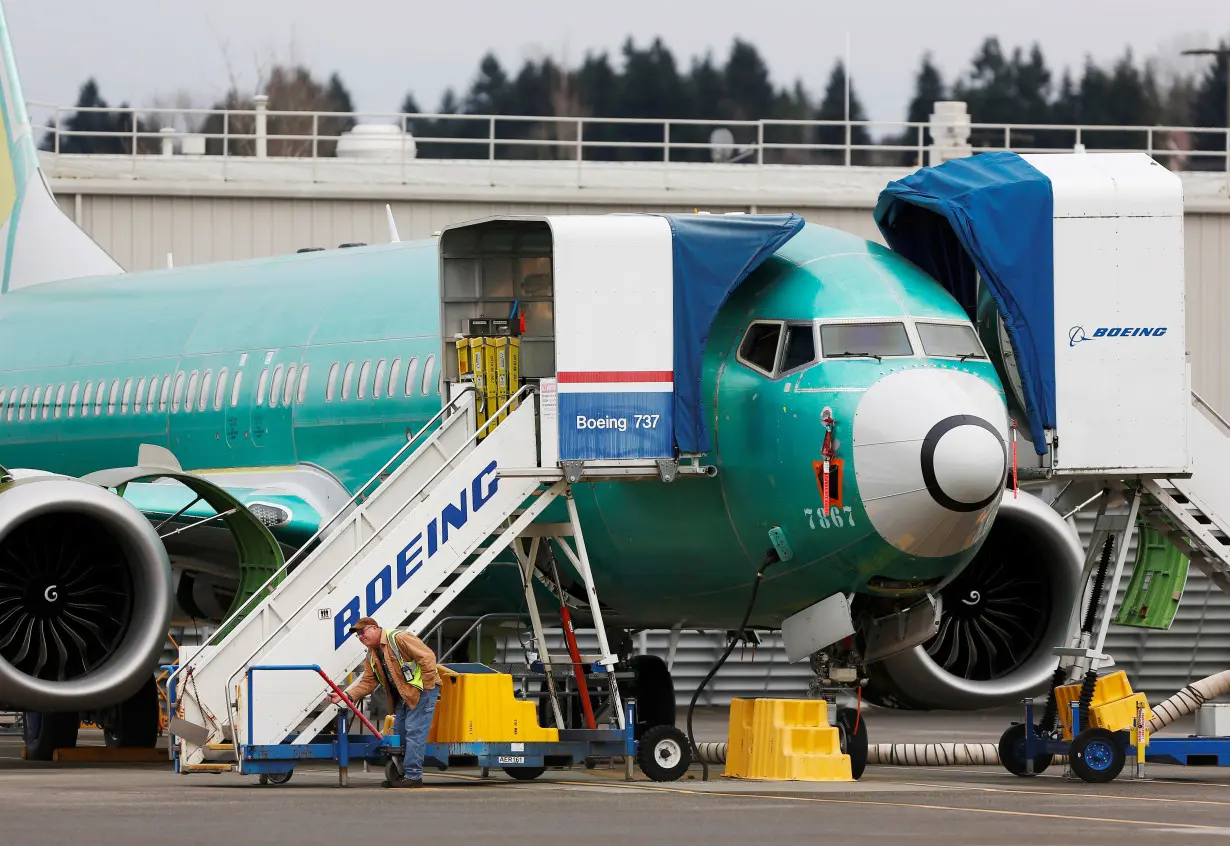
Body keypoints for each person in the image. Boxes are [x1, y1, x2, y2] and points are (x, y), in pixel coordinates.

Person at [329, 616, 443, 788]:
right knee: (399, 734)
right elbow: (368, 682)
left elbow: (427, 657)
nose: (360, 637)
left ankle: (413, 776)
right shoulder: (372, 654)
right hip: (404, 695)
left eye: (363, 632)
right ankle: (402, 774)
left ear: (375, 628)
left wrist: (427, 686)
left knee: (414, 731)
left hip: (422, 691)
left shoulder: (399, 638)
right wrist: (345, 695)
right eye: (358, 635)